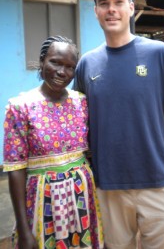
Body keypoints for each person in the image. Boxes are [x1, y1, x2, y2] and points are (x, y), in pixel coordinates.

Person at [73, 0, 164, 249]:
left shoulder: (160, 54)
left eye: (119, 1)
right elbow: (78, 122)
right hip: (109, 187)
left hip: (160, 182)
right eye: (104, 3)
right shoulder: (86, 64)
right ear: (96, 11)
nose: (111, 9)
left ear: (131, 8)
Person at [3, 36, 104, 249]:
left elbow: (90, 153)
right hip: (42, 201)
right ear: (42, 62)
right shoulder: (20, 107)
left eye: (69, 67)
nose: (61, 72)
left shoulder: (81, 102)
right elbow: (15, 169)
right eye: (55, 62)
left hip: (82, 199)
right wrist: (23, 229)